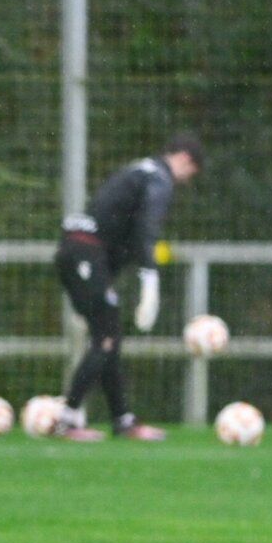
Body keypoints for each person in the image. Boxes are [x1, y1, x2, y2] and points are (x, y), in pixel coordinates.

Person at [54, 134, 204, 441]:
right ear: (185, 160)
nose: (186, 181)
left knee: (109, 338)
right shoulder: (160, 178)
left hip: (77, 252)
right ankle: (66, 420)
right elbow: (146, 228)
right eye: (191, 173)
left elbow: (121, 229)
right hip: (85, 253)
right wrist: (150, 277)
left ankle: (123, 420)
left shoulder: (140, 170)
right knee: (106, 338)